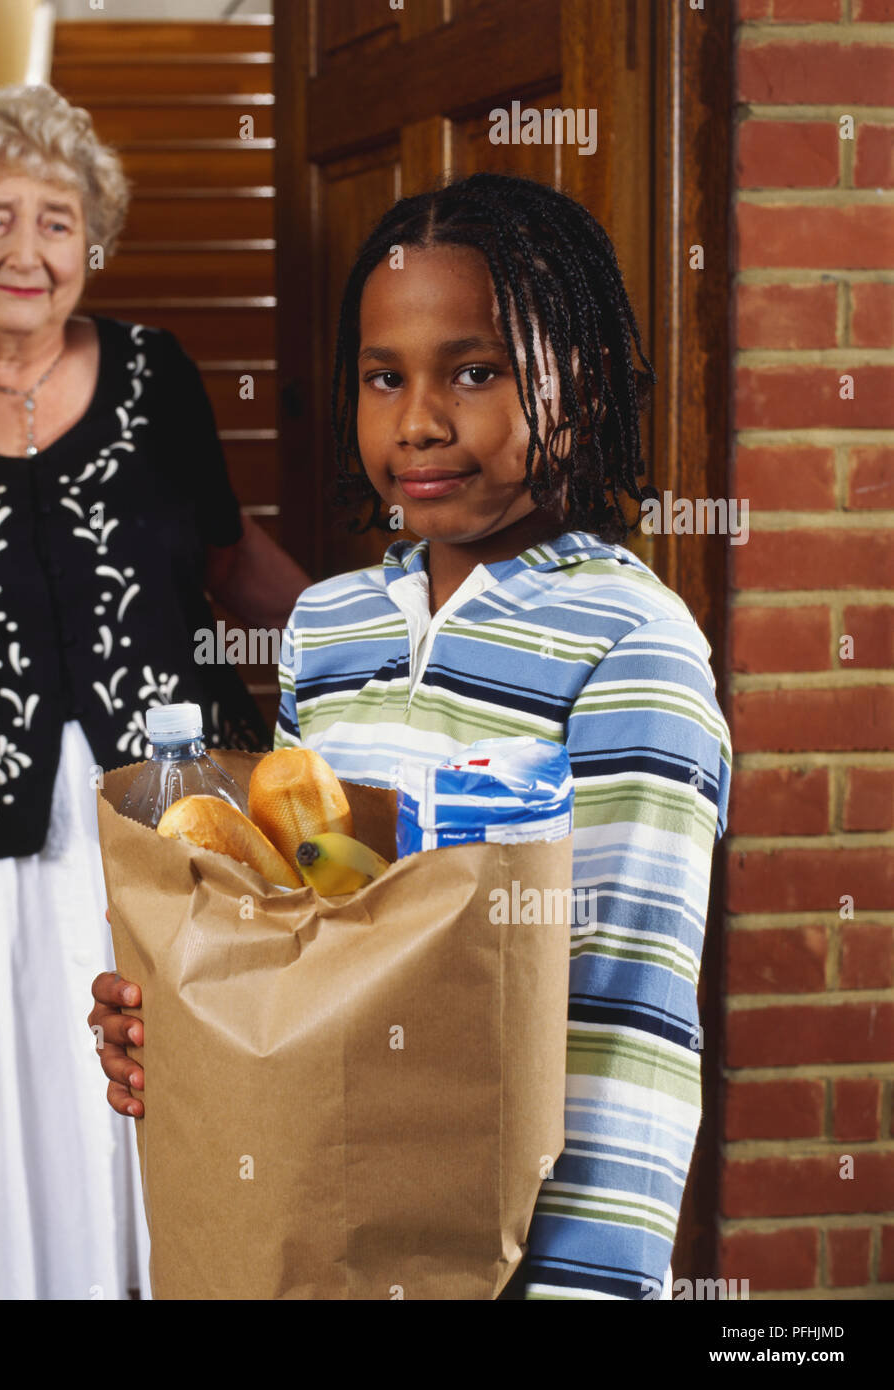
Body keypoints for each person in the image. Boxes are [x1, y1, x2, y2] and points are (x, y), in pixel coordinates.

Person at [90, 172, 732, 1301]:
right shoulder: (327, 628)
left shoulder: (631, 641)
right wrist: (188, 1029)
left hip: (517, 1262)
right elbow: (299, 933)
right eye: (384, 378)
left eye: (474, 371)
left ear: (576, 383)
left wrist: (589, 1288)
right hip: (322, 1231)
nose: (420, 420)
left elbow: (621, 1014)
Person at [0, 82, 308, 1300]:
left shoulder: (158, 377)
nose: (27, 251)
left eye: (57, 219)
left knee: (165, 1113)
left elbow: (229, 564)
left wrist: (381, 637)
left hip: (167, 828)